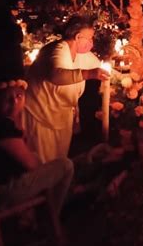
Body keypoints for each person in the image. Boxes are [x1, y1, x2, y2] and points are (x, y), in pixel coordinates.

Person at [23, 15, 109, 163]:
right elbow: (56, 75)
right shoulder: (58, 49)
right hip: (40, 114)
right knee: (43, 162)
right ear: (77, 37)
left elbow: (103, 69)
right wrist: (88, 74)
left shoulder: (83, 56)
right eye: (89, 38)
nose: (91, 42)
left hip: (61, 116)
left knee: (59, 160)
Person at [0, 74, 74, 218]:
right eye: (7, 99)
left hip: (2, 186)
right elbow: (31, 164)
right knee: (65, 165)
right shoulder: (1, 125)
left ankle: (32, 216)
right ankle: (51, 216)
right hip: (1, 192)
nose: (14, 102)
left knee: (38, 159)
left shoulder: (6, 122)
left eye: (19, 96)